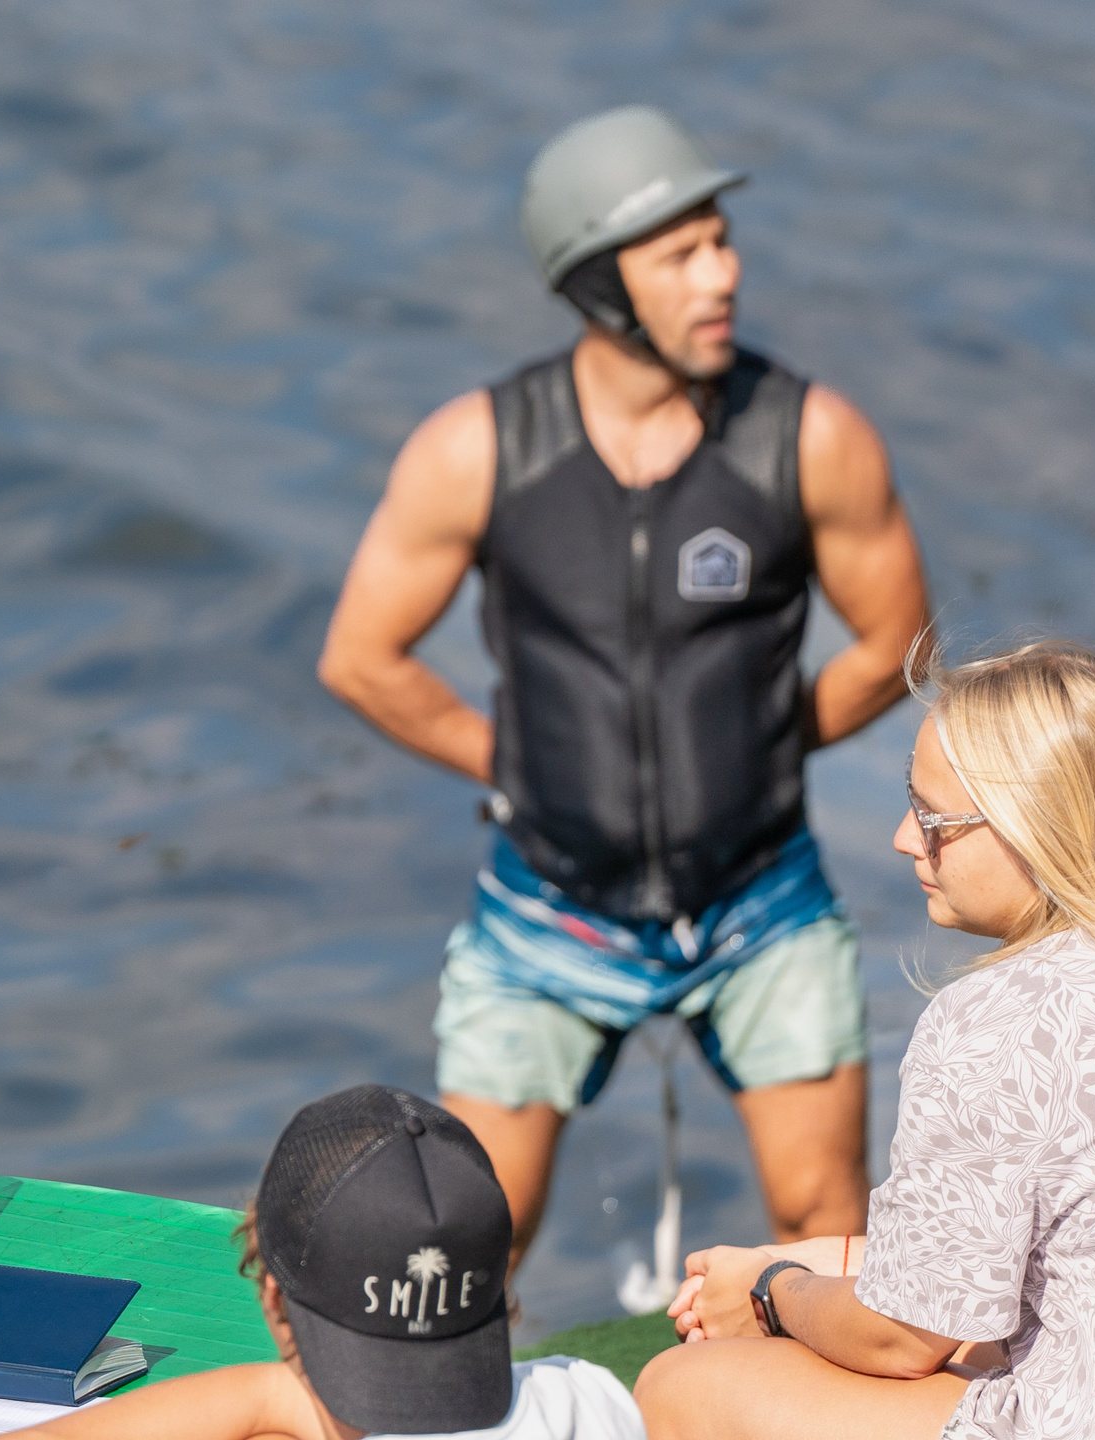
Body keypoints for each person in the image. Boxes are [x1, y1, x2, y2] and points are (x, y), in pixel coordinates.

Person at [317, 105, 930, 1270]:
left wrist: (770, 746)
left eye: (722, 240)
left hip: (762, 902)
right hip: (546, 906)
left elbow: (900, 634)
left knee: (828, 1226)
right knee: (465, 1243)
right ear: (599, 281)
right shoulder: (481, 448)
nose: (724, 274)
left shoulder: (805, 437)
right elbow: (361, 656)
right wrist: (512, 762)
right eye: (683, 253)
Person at [639, 641, 1095, 1440]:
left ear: (1040, 828)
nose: (902, 838)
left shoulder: (998, 1019)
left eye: (935, 820)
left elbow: (903, 1340)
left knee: (683, 1386)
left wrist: (771, 1290)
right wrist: (828, 1262)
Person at [2, 1085, 644, 1440]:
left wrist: (266, 1395)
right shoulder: (593, 1398)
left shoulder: (307, 1413)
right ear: (501, 1287)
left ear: (276, 1304)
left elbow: (287, 1400)